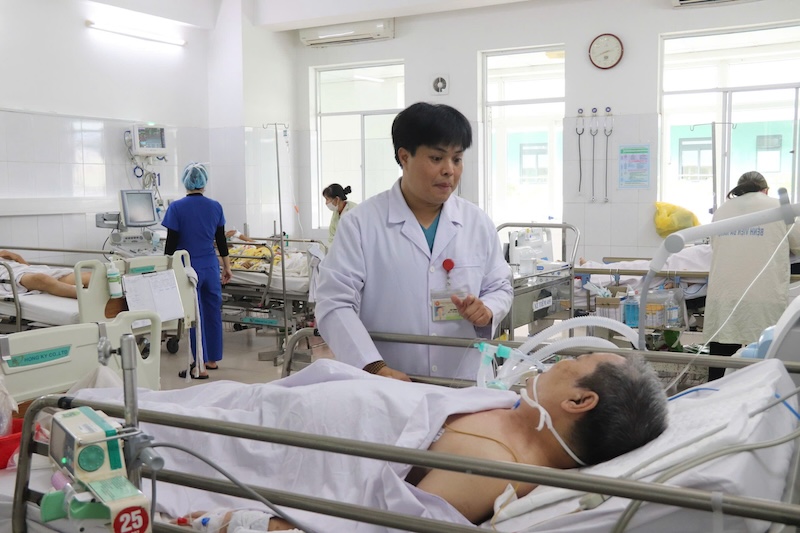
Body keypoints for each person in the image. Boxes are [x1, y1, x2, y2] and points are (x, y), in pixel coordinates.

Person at [75, 354, 668, 531]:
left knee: (122, 424)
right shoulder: (517, 416)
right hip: (292, 408)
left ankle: (59, 425)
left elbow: (370, 525)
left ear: (580, 402)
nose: (561, 360)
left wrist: (247, 523)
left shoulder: (492, 467)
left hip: (285, 445)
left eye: (576, 362)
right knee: (191, 402)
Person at [315, 102, 513, 381]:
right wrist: (373, 367)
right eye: (436, 158)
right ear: (404, 157)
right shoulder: (361, 224)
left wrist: (488, 309)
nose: (449, 170)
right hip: (388, 381)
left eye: (457, 159)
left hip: (464, 381)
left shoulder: (477, 222)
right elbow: (334, 303)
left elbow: (500, 286)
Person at [705, 171, 800, 380]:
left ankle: (714, 400)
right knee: (766, 355)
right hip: (763, 297)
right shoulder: (780, 206)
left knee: (721, 362)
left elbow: (714, 245)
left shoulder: (722, 209)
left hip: (724, 297)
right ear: (765, 190)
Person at [162, 163, 233, 379]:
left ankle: (198, 366)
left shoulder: (176, 208)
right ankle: (211, 360)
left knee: (195, 316)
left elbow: (170, 246)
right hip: (211, 266)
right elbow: (221, 241)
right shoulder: (215, 207)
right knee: (212, 313)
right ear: (204, 182)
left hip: (188, 268)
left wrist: (165, 270)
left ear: (186, 182)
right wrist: (227, 267)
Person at [0, 249, 90, 298]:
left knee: (87, 277)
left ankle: (101, 292)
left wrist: (17, 257)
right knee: (41, 279)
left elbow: (27, 267)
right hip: (9, 277)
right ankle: (87, 297)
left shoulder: (3, 254)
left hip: (27, 270)